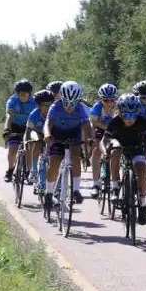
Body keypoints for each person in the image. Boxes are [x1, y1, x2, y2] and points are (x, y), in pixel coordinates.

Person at [43, 81, 92, 211]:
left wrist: (90, 138)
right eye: (66, 102)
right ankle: (48, 193)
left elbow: (87, 125)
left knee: (76, 156)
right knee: (55, 162)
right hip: (57, 134)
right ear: (61, 98)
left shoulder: (81, 108)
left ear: (78, 100)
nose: (69, 106)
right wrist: (47, 135)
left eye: (73, 103)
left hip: (73, 134)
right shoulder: (55, 107)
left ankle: (76, 190)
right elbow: (48, 123)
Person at [104, 94, 146, 221]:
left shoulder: (142, 122)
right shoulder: (115, 122)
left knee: (141, 170)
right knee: (116, 150)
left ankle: (143, 202)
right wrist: (105, 151)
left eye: (133, 115)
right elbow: (105, 140)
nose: (129, 119)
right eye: (126, 115)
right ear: (119, 112)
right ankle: (115, 187)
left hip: (137, 149)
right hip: (120, 148)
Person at [88, 83, 118, 199]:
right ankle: (95, 184)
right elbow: (94, 122)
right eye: (106, 100)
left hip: (115, 130)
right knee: (96, 151)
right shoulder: (97, 107)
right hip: (100, 128)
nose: (110, 103)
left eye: (112, 100)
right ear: (101, 99)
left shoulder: (118, 106)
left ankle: (117, 179)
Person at [3, 79, 37, 182]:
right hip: (15, 126)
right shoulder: (12, 101)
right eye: (20, 94)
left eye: (24, 94)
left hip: (29, 126)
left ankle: (28, 172)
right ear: (16, 93)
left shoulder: (34, 102)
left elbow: (38, 117)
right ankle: (10, 170)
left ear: (29, 94)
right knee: (12, 150)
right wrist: (6, 130)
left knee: (29, 149)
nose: (22, 96)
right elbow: (9, 117)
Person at [25, 90, 54, 190]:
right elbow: (28, 132)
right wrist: (26, 144)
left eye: (49, 105)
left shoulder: (54, 113)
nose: (47, 108)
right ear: (38, 105)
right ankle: (33, 170)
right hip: (36, 133)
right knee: (36, 142)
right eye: (44, 105)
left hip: (50, 134)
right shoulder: (34, 115)